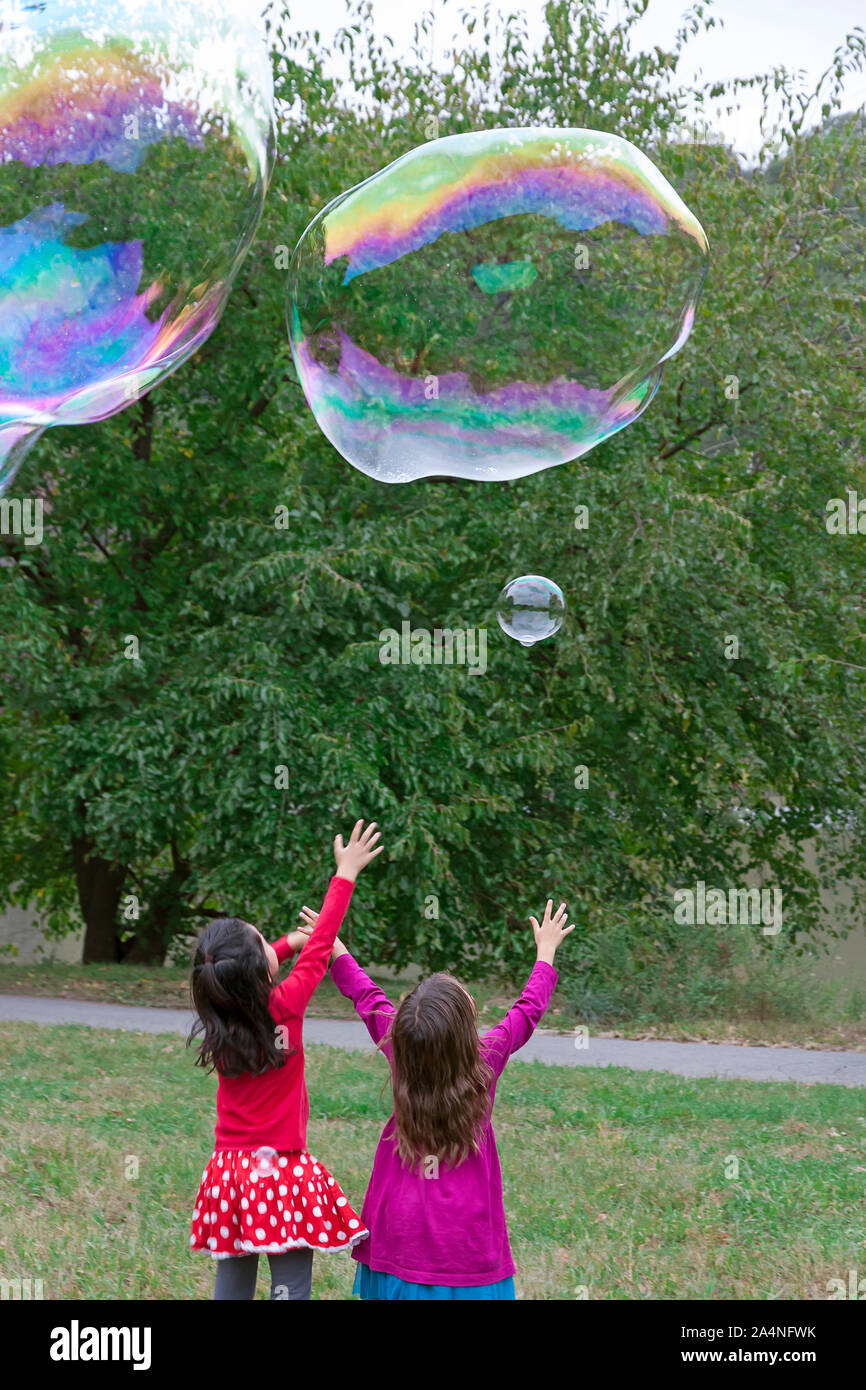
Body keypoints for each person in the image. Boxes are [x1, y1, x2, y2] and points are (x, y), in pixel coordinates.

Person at [300, 895, 572, 1299]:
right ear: (465, 1029)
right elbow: (527, 1009)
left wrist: (335, 948)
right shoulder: (487, 1058)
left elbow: (368, 998)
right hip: (467, 1249)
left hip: (399, 1236)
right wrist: (545, 952)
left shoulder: (400, 1048)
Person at [188, 819, 382, 1299]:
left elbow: (242, 970)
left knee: (231, 1283)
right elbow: (321, 951)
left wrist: (285, 945)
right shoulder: (285, 1006)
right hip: (282, 1174)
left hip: (230, 1173)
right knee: (290, 1284)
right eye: (266, 942)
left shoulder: (218, 1017)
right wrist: (346, 875)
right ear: (261, 971)